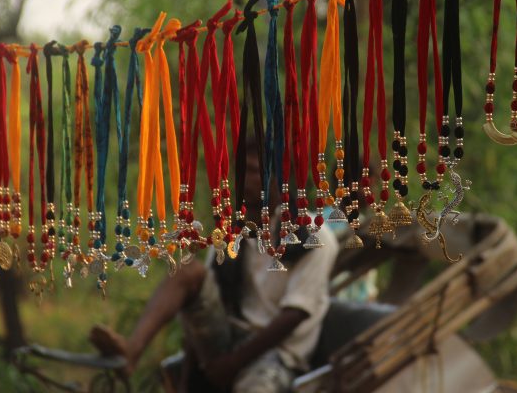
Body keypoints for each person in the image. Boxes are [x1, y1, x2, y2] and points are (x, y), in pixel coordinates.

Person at [90, 149, 339, 393]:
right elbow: (202, 300)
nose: (241, 180)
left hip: (278, 355)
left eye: (251, 172)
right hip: (230, 337)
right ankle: (131, 351)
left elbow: (295, 313)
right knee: (188, 272)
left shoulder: (314, 236)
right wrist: (189, 379)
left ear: (277, 179)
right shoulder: (234, 232)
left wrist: (232, 364)